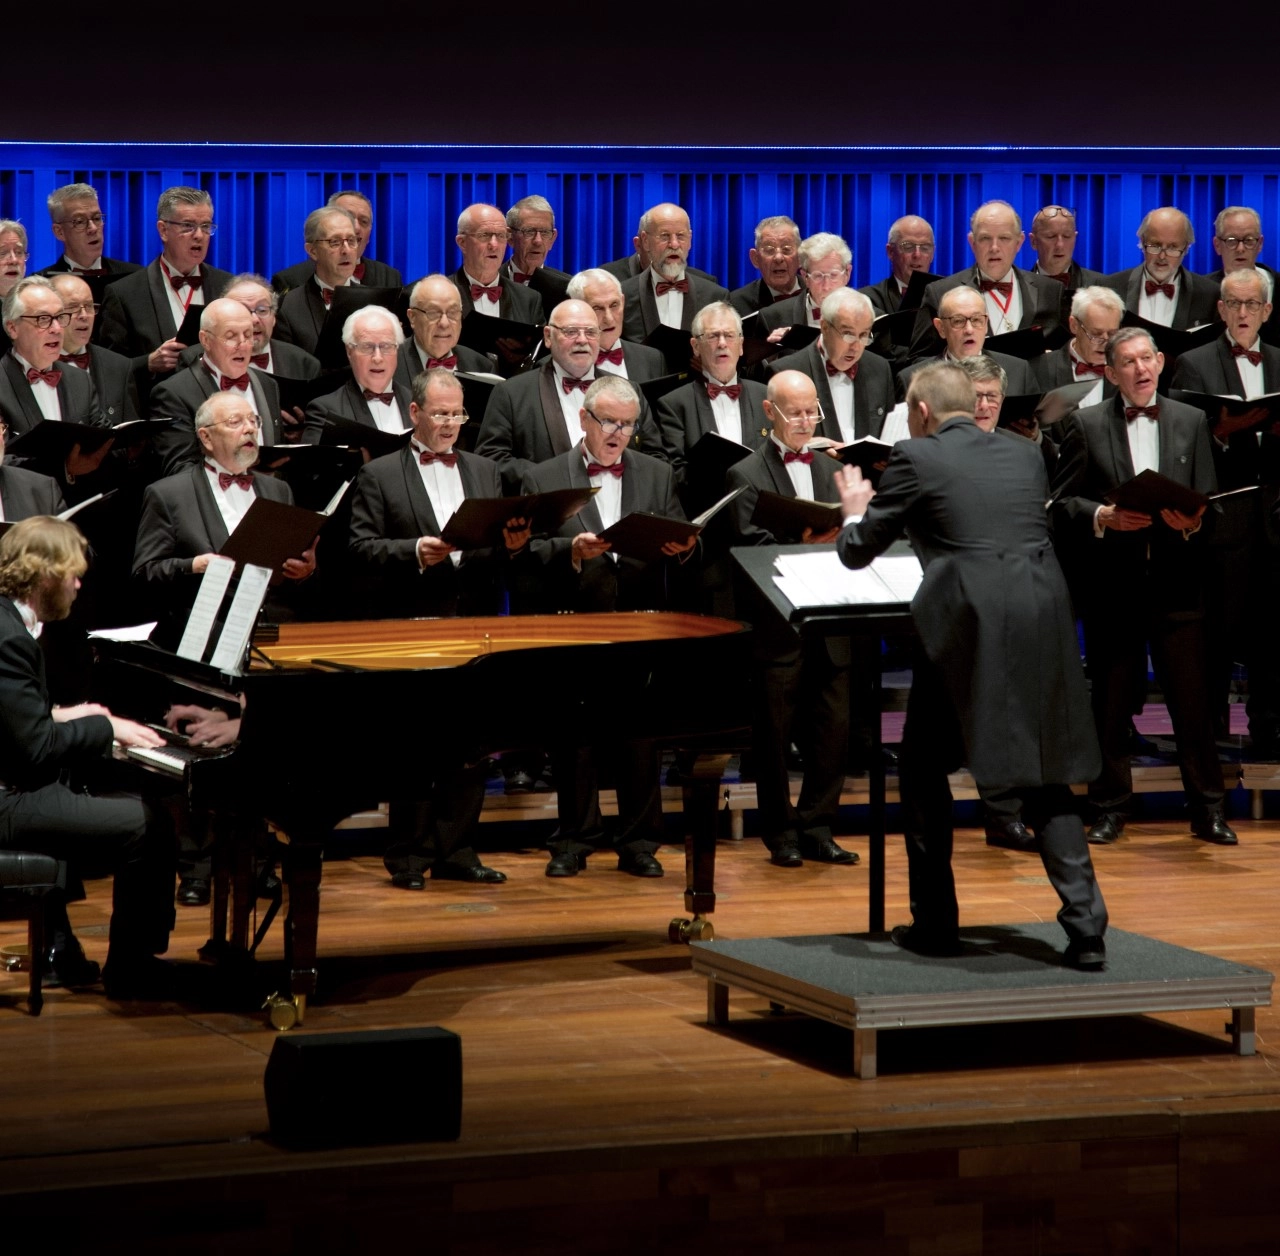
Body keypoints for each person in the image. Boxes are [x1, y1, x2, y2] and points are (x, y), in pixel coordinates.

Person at [836, 362, 1108, 969]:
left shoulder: (914, 456)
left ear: (923, 412)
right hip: (1043, 616)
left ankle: (936, 924)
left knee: (923, 768)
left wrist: (855, 508)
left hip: (967, 630)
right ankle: (1087, 929)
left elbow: (859, 551)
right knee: (1046, 772)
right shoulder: (1023, 455)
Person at [1050, 327, 1234, 847]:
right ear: (1110, 372)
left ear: (1160, 362)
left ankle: (1208, 809)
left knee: (1193, 705)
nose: (1140, 369)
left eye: (1147, 358)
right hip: (1115, 588)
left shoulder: (1190, 420)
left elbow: (1211, 501)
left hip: (1179, 586)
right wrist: (1103, 515)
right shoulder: (1084, 424)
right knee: (1110, 705)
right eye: (1127, 362)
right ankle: (1108, 807)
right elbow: (1062, 504)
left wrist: (1192, 523)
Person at [349, 369, 528, 887]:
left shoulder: (485, 471)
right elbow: (358, 549)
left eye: (458, 414)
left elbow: (492, 552)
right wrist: (414, 553)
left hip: (473, 624)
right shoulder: (379, 474)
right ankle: (407, 855)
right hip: (411, 626)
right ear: (415, 413)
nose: (450, 424)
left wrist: (511, 547)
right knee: (415, 746)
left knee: (470, 745)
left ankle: (457, 848)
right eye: (441, 414)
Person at [515, 375, 696, 878]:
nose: (618, 433)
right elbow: (524, 554)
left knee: (640, 740)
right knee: (577, 740)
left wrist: (684, 547)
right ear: (584, 420)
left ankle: (639, 841)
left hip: (639, 626)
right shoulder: (544, 476)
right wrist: (569, 551)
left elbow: (678, 531)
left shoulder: (657, 474)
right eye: (609, 422)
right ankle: (574, 839)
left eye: (627, 424)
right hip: (576, 626)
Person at [0, 515, 176, 996]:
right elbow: (35, 749)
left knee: (125, 805)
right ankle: (133, 967)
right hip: (7, 800)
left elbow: (16, 720)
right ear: (45, 575)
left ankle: (84, 949)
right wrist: (103, 726)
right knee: (147, 823)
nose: (79, 585)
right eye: (73, 574)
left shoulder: (8, 623)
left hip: (12, 785)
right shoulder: (10, 639)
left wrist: (64, 713)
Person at [726, 370, 857, 868]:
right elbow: (745, 547)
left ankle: (819, 826)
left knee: (832, 733)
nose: (805, 422)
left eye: (811, 412)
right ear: (768, 413)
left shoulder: (833, 469)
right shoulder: (746, 474)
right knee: (774, 741)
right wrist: (800, 543)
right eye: (794, 412)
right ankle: (780, 833)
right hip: (779, 626)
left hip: (831, 621)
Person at [1171, 267, 1280, 755]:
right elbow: (1182, 441)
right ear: (1219, 309)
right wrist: (1223, 431)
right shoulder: (1194, 364)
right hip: (1224, 521)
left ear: (1267, 311)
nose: (1242, 313)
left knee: (1272, 635)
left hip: (1275, 519)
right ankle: (1209, 733)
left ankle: (1269, 731)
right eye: (1233, 304)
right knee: (1217, 633)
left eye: (1252, 304)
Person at [474, 300, 662, 494]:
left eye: (590, 332)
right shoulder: (511, 393)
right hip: (549, 512)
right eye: (571, 332)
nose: (582, 340)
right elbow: (490, 459)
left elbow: (655, 457)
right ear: (548, 337)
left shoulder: (630, 390)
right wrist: (550, 477)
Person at [97, 186, 232, 381]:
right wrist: (149, 362)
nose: (199, 235)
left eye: (206, 226)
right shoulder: (124, 294)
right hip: (156, 405)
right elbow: (107, 368)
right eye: (188, 225)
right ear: (163, 230)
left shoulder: (228, 286)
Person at [148, 298, 287, 476]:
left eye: (248, 335)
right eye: (231, 337)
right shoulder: (173, 393)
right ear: (205, 340)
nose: (242, 345)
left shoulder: (268, 384)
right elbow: (180, 468)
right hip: (211, 500)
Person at [910, 201, 1063, 357]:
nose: (994, 248)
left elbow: (1062, 357)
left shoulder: (1050, 291)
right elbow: (918, 361)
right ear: (972, 242)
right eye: (985, 238)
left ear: (1019, 242)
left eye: (1004, 238)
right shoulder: (940, 292)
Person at [767, 288, 895, 443]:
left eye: (864, 335)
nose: (855, 347)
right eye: (848, 334)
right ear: (825, 327)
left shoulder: (880, 369)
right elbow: (774, 441)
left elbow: (888, 435)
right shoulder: (787, 373)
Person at [619, 203, 730, 340]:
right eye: (664, 236)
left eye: (680, 236)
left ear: (689, 240)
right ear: (646, 241)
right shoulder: (622, 295)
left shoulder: (714, 296)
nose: (674, 244)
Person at [898, 286, 1033, 397]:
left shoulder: (1018, 372)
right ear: (941, 328)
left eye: (976, 320)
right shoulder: (912, 380)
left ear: (986, 324)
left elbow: (1043, 428)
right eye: (958, 321)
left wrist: (1034, 431)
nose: (969, 330)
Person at [1102, 207, 1219, 330]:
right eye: (1155, 245)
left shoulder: (1210, 294)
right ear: (1142, 242)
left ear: (1186, 248)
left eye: (1172, 247)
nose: (1162, 256)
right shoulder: (1110, 288)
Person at [271, 189, 401, 293]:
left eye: (364, 221)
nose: (355, 227)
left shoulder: (389, 277)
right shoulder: (290, 280)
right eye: (347, 217)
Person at [273, 206, 362, 357]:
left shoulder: (374, 301)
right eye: (335, 242)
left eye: (351, 240)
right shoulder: (287, 308)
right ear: (312, 251)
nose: (346, 250)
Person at [566, 269, 667, 382]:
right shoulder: (561, 363)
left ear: (623, 302)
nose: (609, 319)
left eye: (614, 305)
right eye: (597, 308)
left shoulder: (652, 359)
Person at [397, 274, 493, 390]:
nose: (444, 323)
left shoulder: (481, 366)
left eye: (453, 312)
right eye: (433, 313)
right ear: (412, 317)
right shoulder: (392, 365)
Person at [452, 203, 544, 323]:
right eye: (484, 235)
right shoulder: (437, 295)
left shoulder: (528, 299)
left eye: (501, 236)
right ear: (462, 242)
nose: (494, 245)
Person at [38, 183, 140, 278]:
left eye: (96, 218)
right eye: (80, 222)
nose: (93, 228)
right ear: (59, 232)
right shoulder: (41, 284)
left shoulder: (134, 277)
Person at [503, 195, 571, 310]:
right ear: (509, 237)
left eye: (545, 232)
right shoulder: (488, 283)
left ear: (552, 239)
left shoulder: (569, 288)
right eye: (529, 231)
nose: (538, 241)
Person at [860, 215, 936, 316]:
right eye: (908, 246)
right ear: (890, 252)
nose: (917, 254)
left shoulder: (946, 295)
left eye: (925, 248)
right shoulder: (868, 300)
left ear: (932, 254)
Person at [729, 216, 803, 315]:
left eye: (786, 249)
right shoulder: (736, 304)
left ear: (800, 257)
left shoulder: (817, 293)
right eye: (769, 250)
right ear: (755, 258)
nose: (778, 258)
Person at [1027, 205, 1105, 290]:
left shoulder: (1101, 286)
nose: (1060, 245)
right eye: (1051, 236)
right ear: (1033, 241)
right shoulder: (1019, 287)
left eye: (1067, 236)